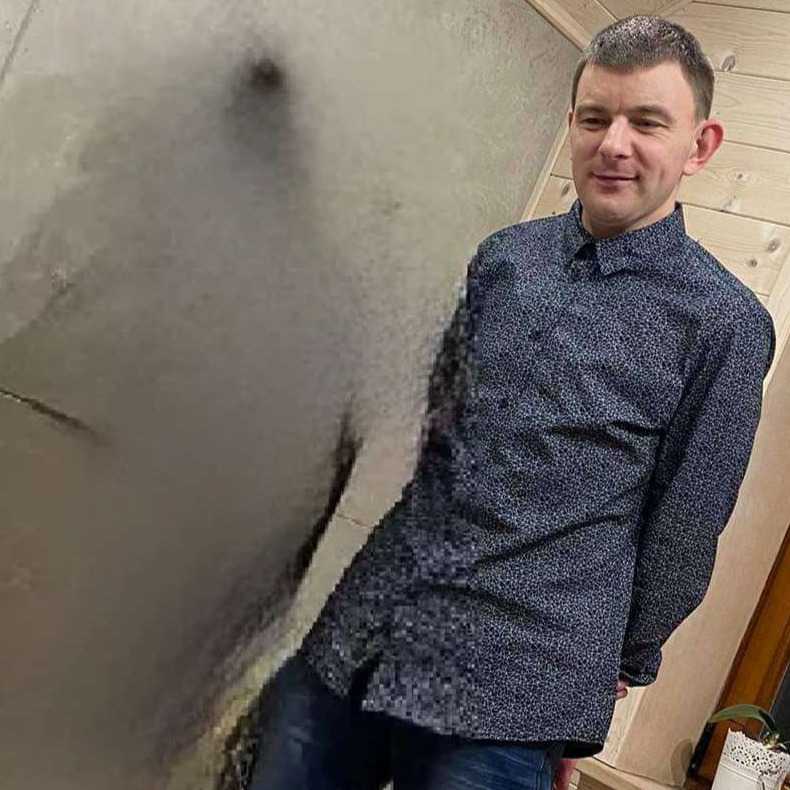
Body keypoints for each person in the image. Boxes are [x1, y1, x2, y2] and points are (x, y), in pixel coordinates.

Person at [226, 15, 776, 790]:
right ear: (573, 123)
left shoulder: (723, 324)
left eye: (647, 122)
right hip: (365, 634)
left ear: (700, 145)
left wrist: (607, 670)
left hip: (512, 691)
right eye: (595, 118)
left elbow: (686, 525)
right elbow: (439, 436)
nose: (614, 144)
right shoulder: (506, 259)